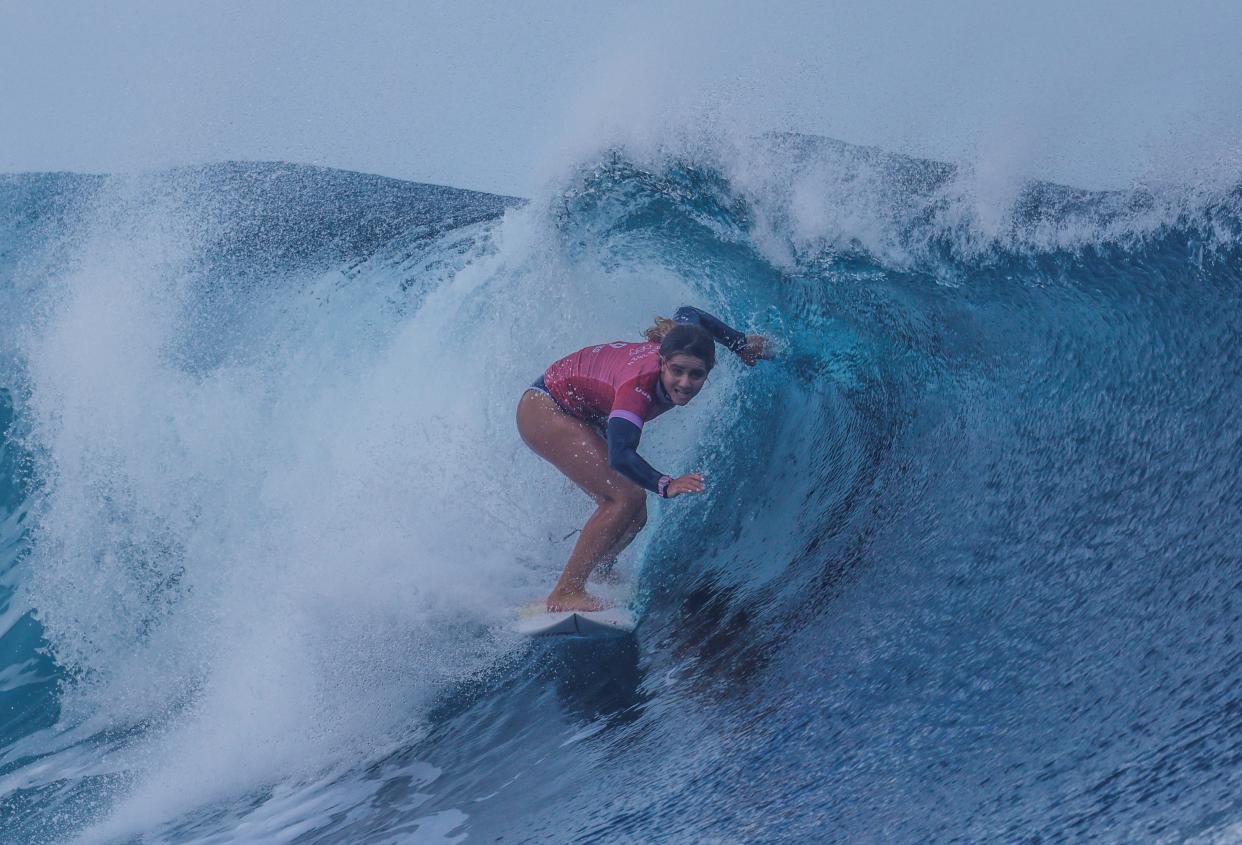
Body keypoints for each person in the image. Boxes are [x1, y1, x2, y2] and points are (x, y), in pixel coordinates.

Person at [516, 306, 773, 612]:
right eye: (677, 371)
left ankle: (600, 572)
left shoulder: (681, 340)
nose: (685, 382)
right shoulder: (636, 390)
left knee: (636, 513)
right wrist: (666, 484)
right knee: (623, 497)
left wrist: (740, 343)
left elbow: (689, 313)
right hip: (547, 408)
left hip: (579, 410)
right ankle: (567, 591)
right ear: (662, 363)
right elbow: (620, 455)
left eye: (696, 374)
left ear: (708, 370)